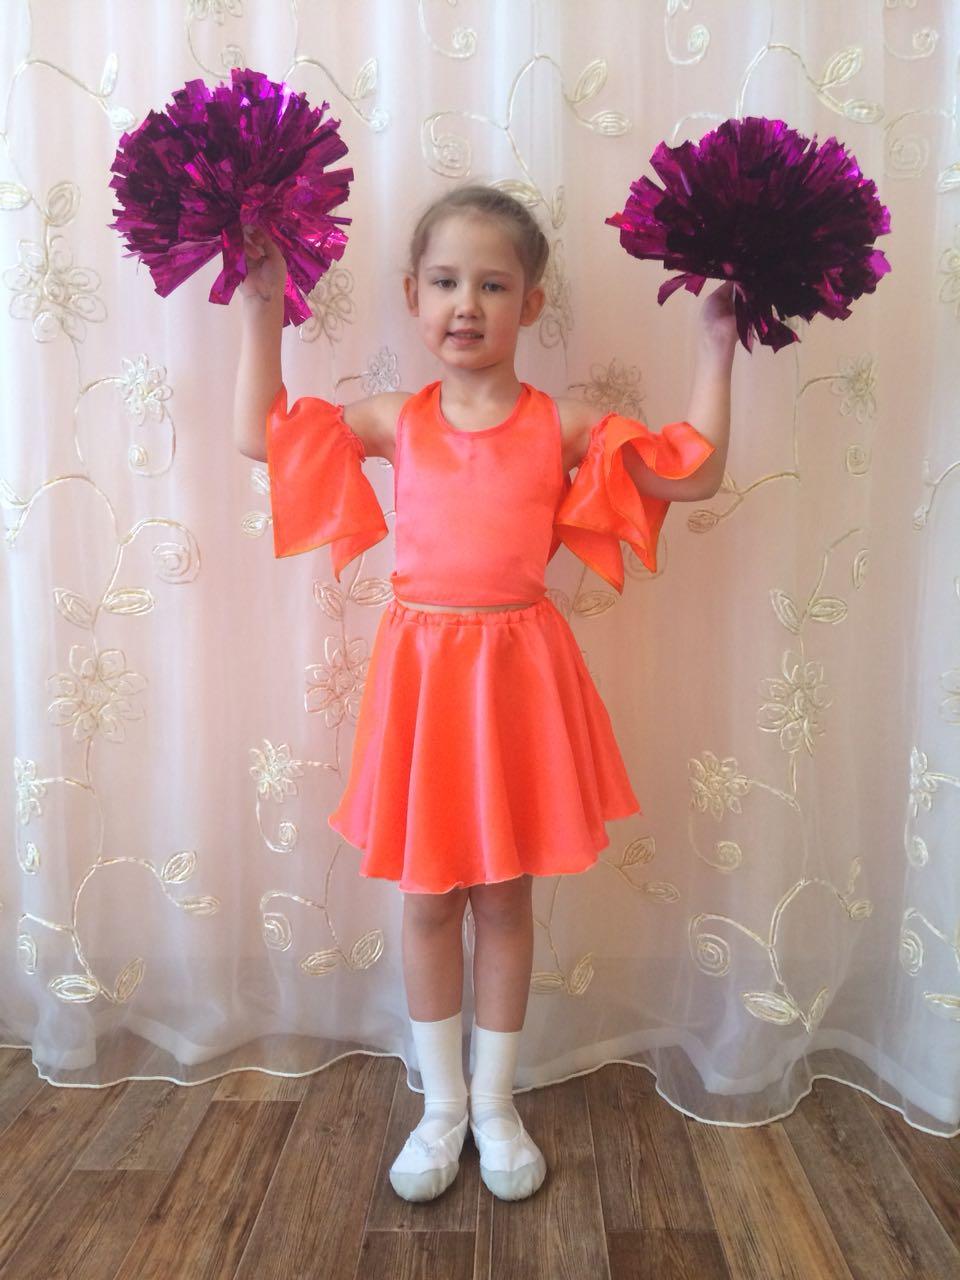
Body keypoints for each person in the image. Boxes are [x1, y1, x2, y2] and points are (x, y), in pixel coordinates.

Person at [233, 183, 737, 1204]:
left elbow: (691, 476)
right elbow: (263, 437)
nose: (468, 303)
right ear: (413, 297)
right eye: (446, 281)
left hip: (517, 678)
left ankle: (497, 1103)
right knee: (428, 898)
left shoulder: (563, 424)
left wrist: (716, 346)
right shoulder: (395, 419)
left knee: (505, 896)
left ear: (531, 303)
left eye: (494, 285)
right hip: (423, 683)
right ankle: (442, 1106)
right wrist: (263, 304)